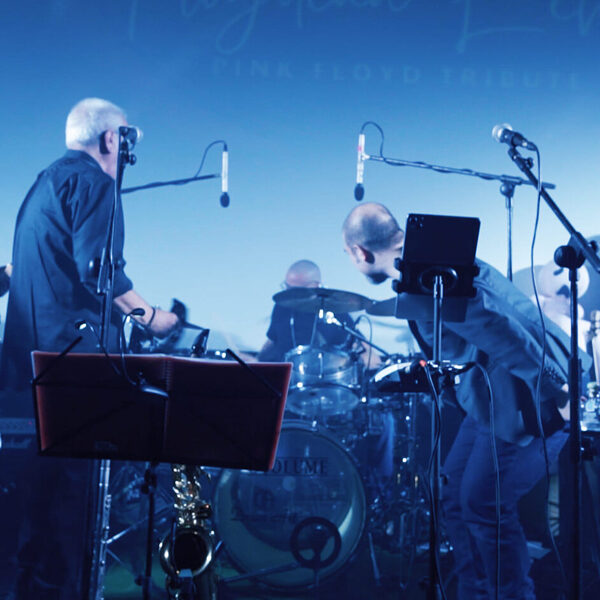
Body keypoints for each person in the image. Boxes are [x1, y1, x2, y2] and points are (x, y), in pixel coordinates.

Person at [342, 202, 587, 599]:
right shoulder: (439, 258)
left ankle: (510, 595)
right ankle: (476, 593)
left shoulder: (428, 273)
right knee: (455, 495)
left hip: (526, 397)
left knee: (482, 503)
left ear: (360, 252)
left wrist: (558, 388)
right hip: (493, 397)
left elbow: (499, 329)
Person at [0, 98, 178, 599]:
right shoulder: (96, 184)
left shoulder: (44, 183)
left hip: (29, 370)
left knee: (36, 511)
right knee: (70, 511)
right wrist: (154, 318)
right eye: (126, 138)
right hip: (74, 371)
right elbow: (100, 274)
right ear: (111, 138)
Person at [258, 259, 355, 362]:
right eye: (287, 287)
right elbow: (272, 340)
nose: (290, 294)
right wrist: (256, 361)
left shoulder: (336, 311)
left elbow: (356, 345)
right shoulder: (281, 307)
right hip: (287, 369)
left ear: (315, 286)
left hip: (323, 369)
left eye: (295, 290)